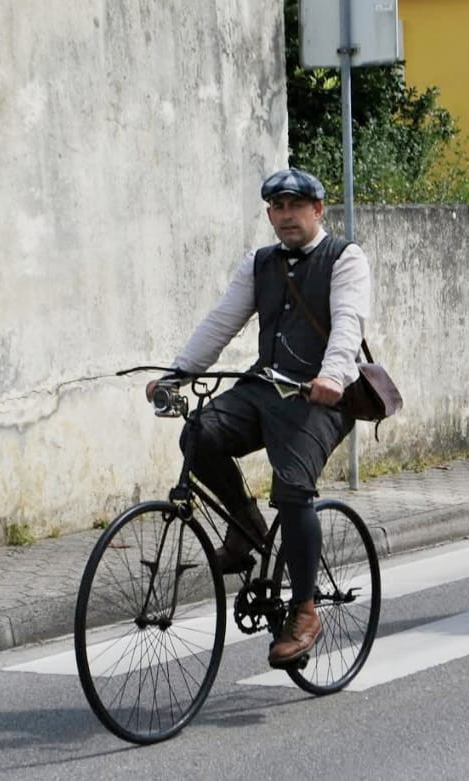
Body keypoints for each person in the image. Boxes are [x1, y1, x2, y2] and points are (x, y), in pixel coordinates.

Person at [146, 168, 370, 668]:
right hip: (267, 386)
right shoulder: (260, 263)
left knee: (292, 489)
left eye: (297, 205)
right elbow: (222, 322)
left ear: (318, 210)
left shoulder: (344, 260)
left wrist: (333, 376)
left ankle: (305, 610)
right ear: (270, 214)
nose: (286, 215)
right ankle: (245, 523)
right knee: (198, 434)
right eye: (277, 207)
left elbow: (348, 324)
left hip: (320, 399)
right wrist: (176, 375)